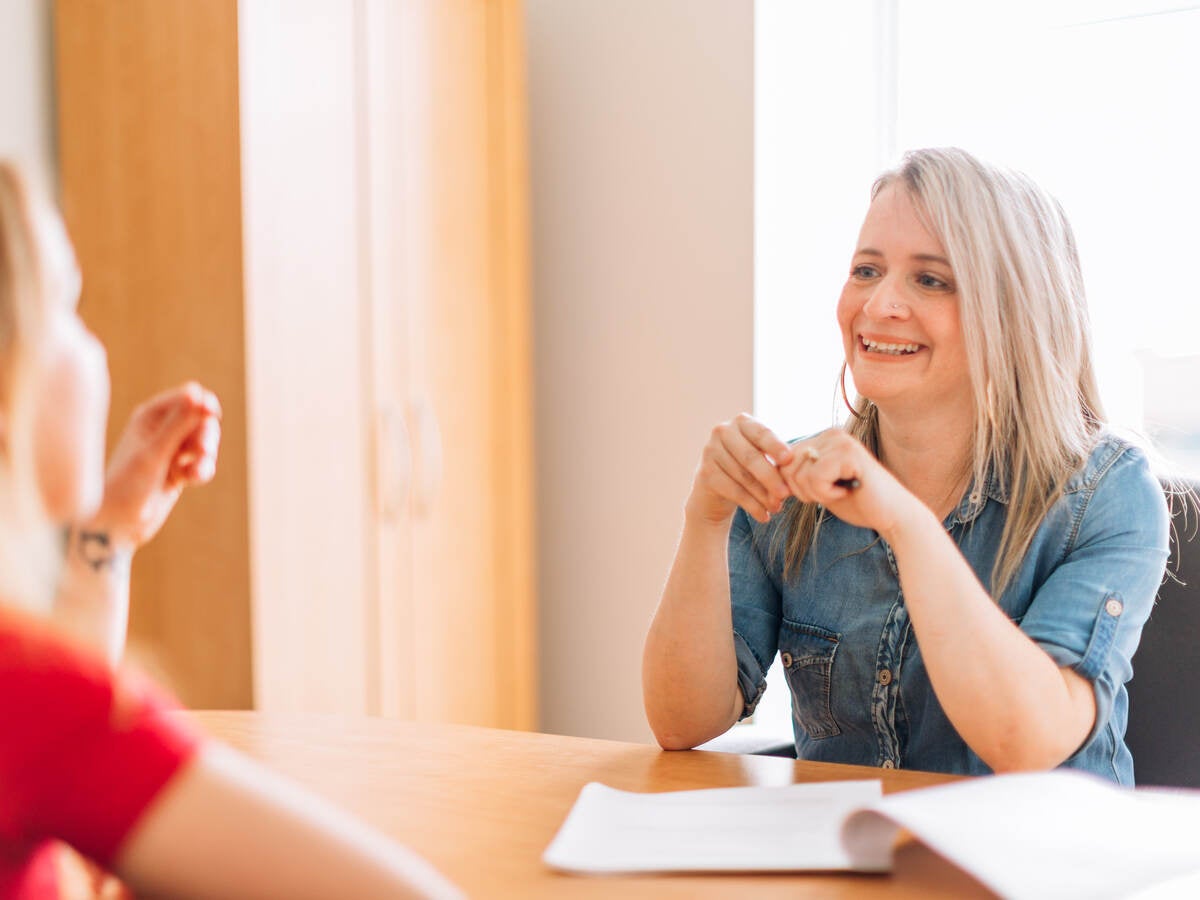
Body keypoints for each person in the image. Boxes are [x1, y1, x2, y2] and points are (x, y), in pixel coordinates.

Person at [0, 161, 462, 899]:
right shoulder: (30, 695)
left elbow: (49, 764)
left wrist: (110, 532)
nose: (95, 348)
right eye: (68, 305)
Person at [643, 147, 1170, 784]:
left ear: (1015, 312)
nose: (879, 305)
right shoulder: (794, 489)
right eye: (866, 270)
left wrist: (904, 523)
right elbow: (681, 721)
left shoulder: (1108, 494)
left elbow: (1030, 740)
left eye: (931, 279)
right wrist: (704, 518)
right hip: (849, 870)